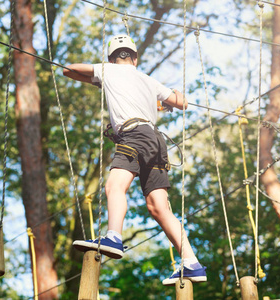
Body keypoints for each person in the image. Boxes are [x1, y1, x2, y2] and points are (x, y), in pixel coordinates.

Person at [63, 34, 207, 285]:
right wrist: (161, 102)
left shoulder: (108, 70)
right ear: (135, 57)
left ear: (110, 58)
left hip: (134, 135)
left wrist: (100, 79)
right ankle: (192, 263)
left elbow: (69, 70)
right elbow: (183, 102)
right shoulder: (147, 80)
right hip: (156, 140)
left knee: (114, 187)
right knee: (158, 208)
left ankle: (113, 237)